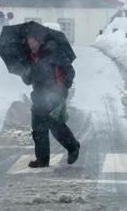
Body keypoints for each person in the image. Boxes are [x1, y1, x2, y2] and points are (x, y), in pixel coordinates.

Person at [22, 26, 80, 168]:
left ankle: (73, 147)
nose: (32, 46)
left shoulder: (54, 52)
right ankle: (42, 160)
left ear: (39, 41)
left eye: (34, 43)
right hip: (39, 96)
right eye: (29, 44)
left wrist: (63, 86)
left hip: (55, 94)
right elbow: (28, 81)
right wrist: (26, 70)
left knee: (56, 126)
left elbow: (70, 71)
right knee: (38, 129)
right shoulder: (30, 58)